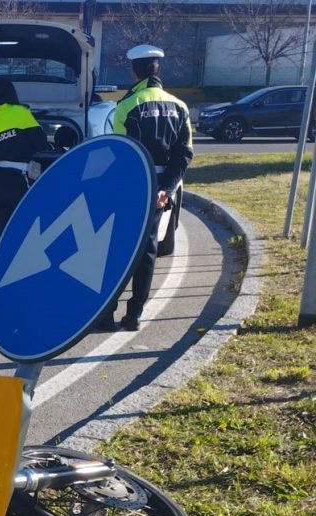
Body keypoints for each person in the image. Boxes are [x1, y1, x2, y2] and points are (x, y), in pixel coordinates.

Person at [98, 44, 193, 332]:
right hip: (162, 189)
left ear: (134, 70)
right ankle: (134, 315)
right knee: (148, 250)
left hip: (133, 186)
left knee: (118, 250)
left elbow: (120, 156)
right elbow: (184, 154)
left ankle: (107, 314)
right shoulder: (180, 106)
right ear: (157, 70)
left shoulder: (126, 107)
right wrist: (167, 188)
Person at [0, 78, 52, 241]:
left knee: (1, 237)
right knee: (22, 236)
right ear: (12, 93)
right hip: (18, 181)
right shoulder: (21, 113)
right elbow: (41, 143)